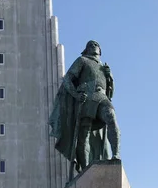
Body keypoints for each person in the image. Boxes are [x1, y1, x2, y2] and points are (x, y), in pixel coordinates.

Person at [49, 40, 121, 172]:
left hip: (101, 96)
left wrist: (110, 77)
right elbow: (67, 79)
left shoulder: (103, 68)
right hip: (86, 98)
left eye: (96, 44)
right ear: (86, 50)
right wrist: (76, 94)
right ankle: (86, 168)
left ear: (100, 50)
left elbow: (111, 93)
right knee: (84, 135)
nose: (93, 45)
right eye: (90, 44)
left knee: (111, 117)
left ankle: (116, 154)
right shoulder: (82, 60)